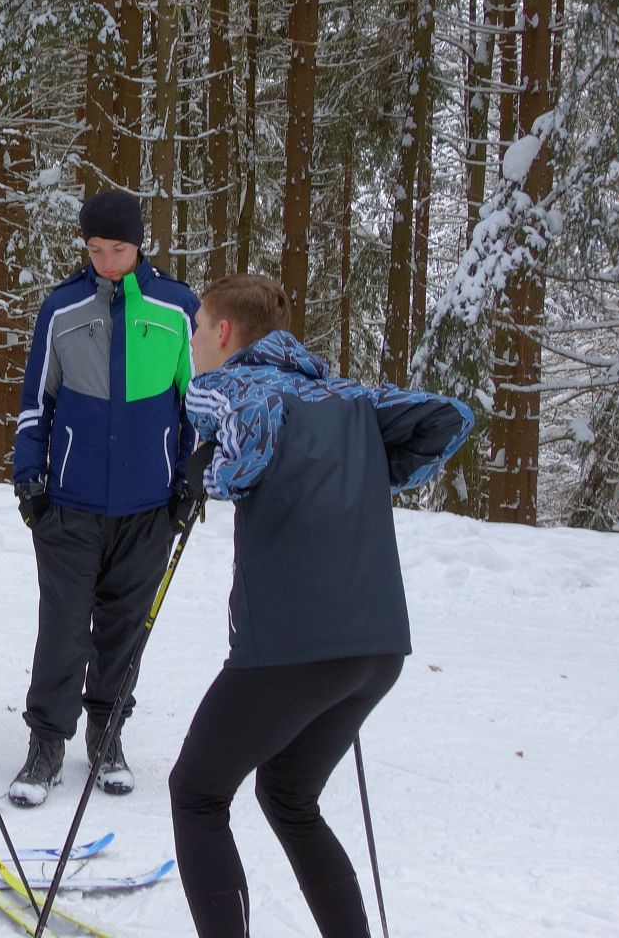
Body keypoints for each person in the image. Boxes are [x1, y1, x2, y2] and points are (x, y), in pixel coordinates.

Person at [169, 274, 474, 937]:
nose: (194, 348)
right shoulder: (350, 398)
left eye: (197, 332)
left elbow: (231, 457)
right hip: (376, 648)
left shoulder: (235, 385)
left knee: (196, 794)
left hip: (292, 648)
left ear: (224, 331)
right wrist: (370, 464)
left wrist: (201, 471)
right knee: (288, 794)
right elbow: (448, 417)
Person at [8, 188, 201, 805]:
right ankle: (46, 744)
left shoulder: (177, 308)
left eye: (118, 249)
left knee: (124, 628)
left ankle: (107, 735)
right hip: (71, 503)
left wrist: (191, 480)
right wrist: (29, 478)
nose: (107, 261)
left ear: (139, 245)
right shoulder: (62, 308)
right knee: (63, 629)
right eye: (95, 249)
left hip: (148, 507)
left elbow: (198, 406)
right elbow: (36, 402)